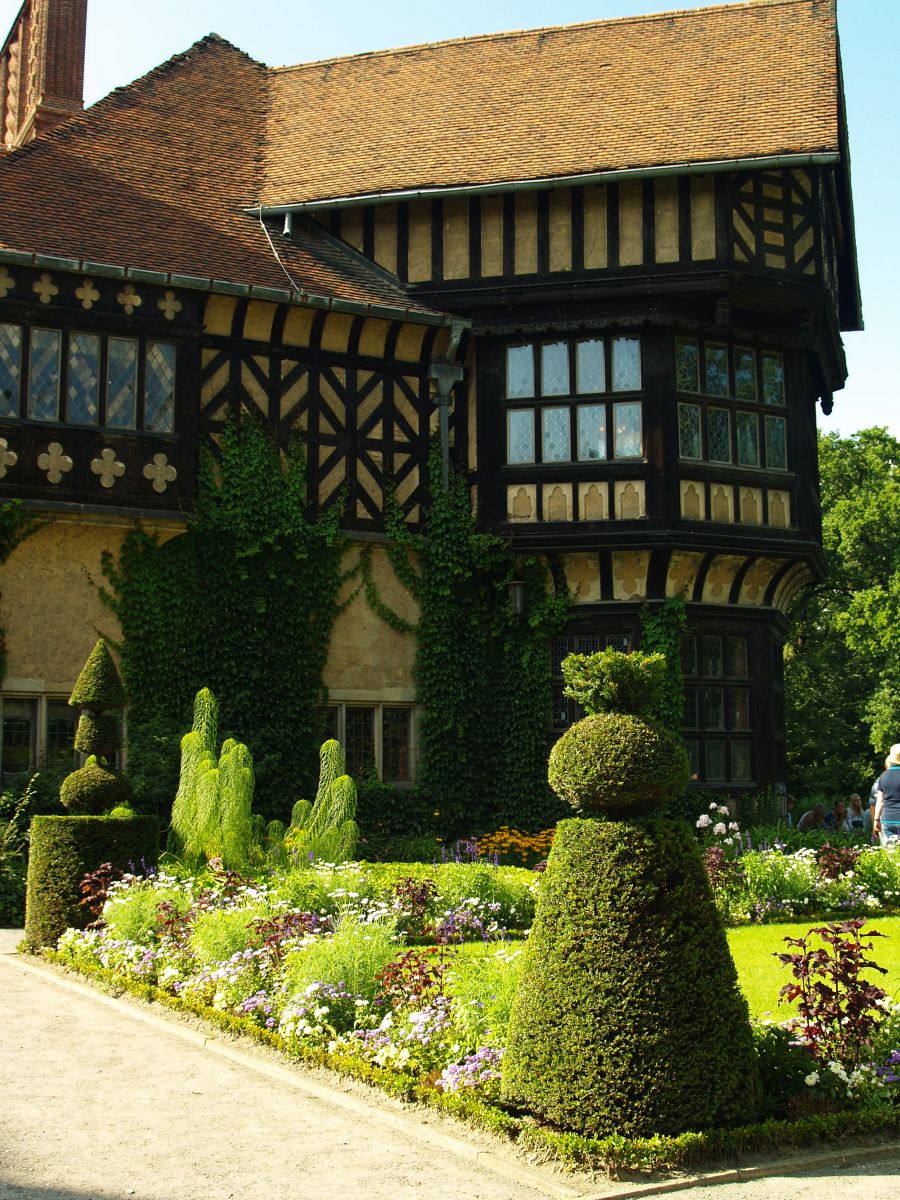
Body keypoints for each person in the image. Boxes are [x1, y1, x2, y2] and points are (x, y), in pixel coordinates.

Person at [874, 745, 900, 845]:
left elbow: (880, 801)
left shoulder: (883, 775)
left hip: (888, 819)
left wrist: (876, 820)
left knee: (891, 851)